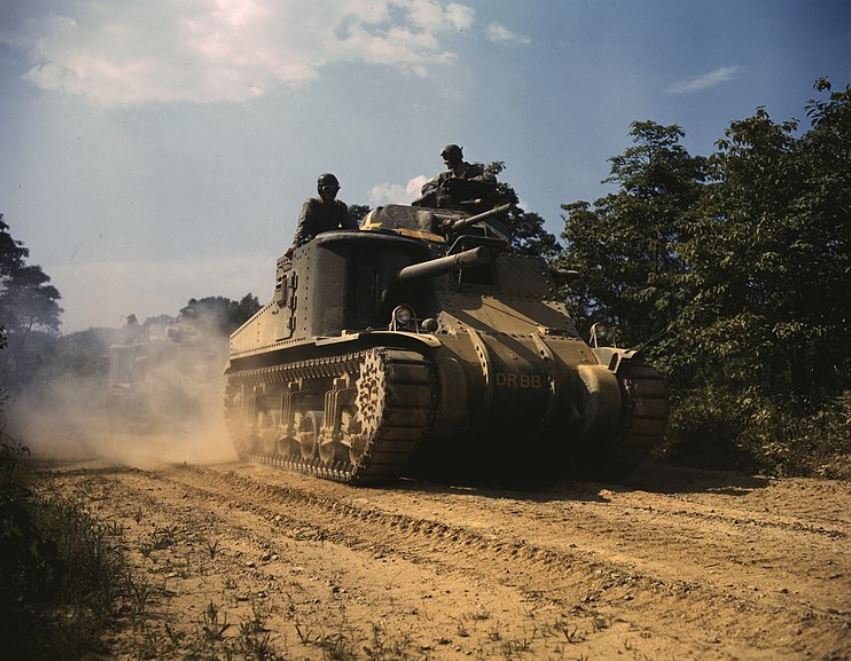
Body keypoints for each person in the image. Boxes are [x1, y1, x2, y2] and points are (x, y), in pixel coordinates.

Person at [286, 173, 358, 257]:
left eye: (335, 189)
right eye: (328, 189)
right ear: (320, 189)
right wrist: (296, 243)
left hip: (335, 245)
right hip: (316, 245)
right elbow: (304, 225)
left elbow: (352, 228)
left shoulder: (339, 207)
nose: (332, 193)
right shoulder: (312, 204)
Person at [416, 144, 497, 209]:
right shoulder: (444, 177)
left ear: (454, 156)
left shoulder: (475, 171)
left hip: (475, 210)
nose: (444, 162)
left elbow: (490, 179)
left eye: (446, 158)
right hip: (451, 211)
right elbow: (426, 187)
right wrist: (442, 189)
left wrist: (462, 184)